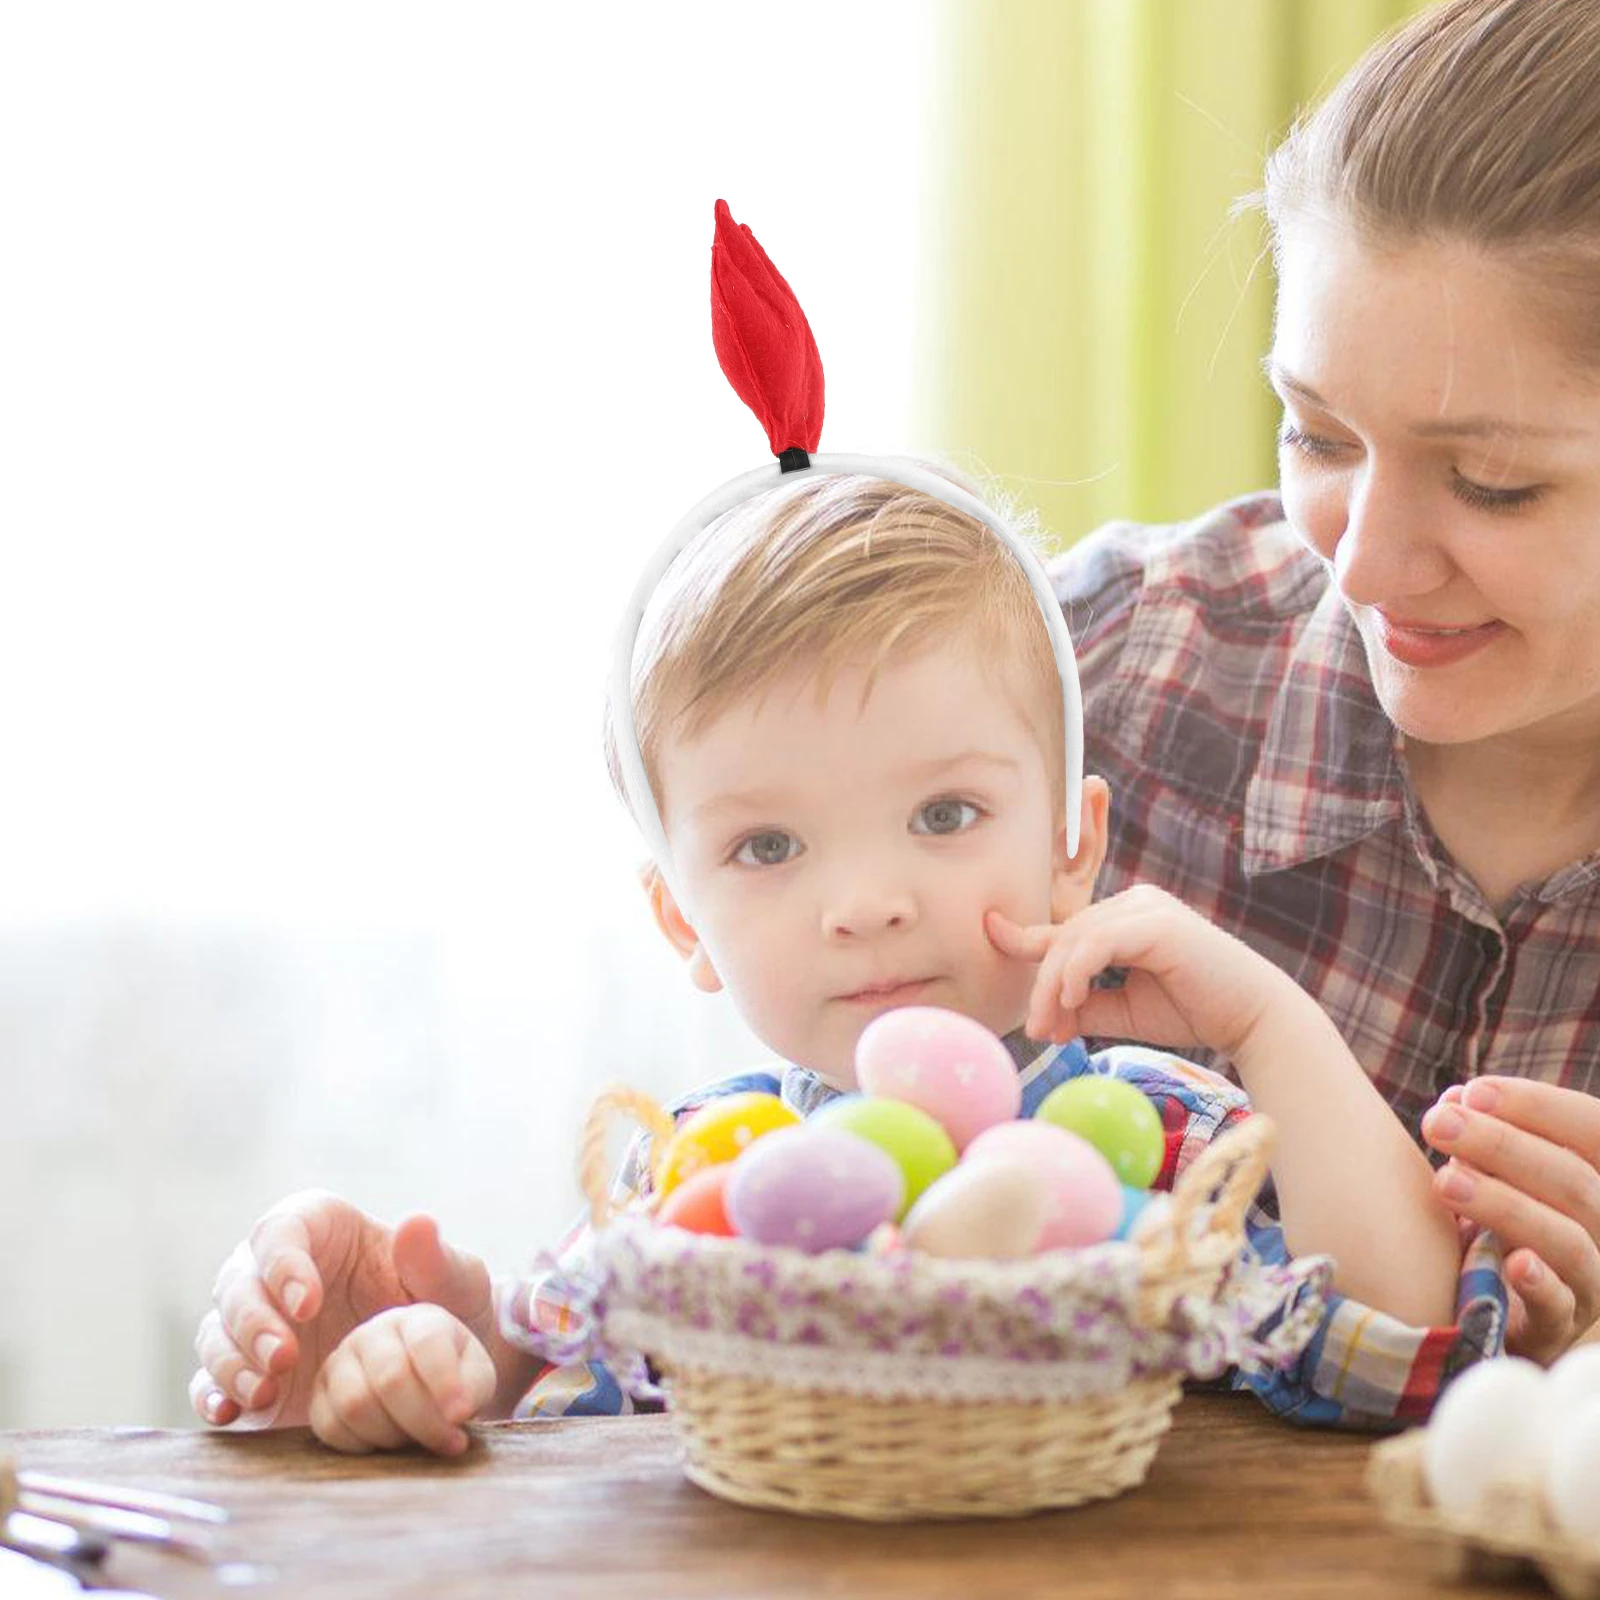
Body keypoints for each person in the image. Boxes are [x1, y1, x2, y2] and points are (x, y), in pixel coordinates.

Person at [189, 471, 1491, 1454]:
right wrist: (433, 1348)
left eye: (942, 817)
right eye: (767, 846)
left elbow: (1402, 1356)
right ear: (682, 922)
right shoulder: (703, 1168)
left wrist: (1264, 1019)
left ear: (1070, 845)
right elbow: (560, 1388)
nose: (865, 904)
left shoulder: (1159, 1131)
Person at [1049, 0, 1600, 1368]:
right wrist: (499, 1355)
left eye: (1492, 483)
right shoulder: (1100, 675)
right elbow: (786, 1180)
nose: (1361, 564)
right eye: (1317, 432)